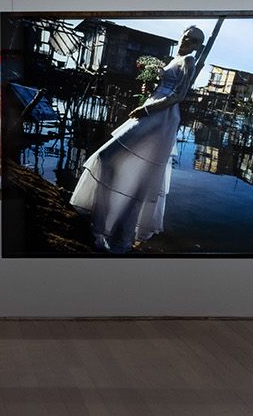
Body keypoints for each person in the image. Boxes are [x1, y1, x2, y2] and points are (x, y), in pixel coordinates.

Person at [70, 24, 216, 252]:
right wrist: (150, 89)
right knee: (111, 159)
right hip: (153, 109)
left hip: (162, 117)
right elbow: (165, 88)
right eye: (185, 37)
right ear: (180, 36)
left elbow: (179, 95)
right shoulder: (172, 60)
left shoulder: (188, 61)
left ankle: (116, 231)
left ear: (198, 47)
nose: (186, 43)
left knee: (114, 160)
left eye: (193, 42)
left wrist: (146, 110)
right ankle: (107, 223)